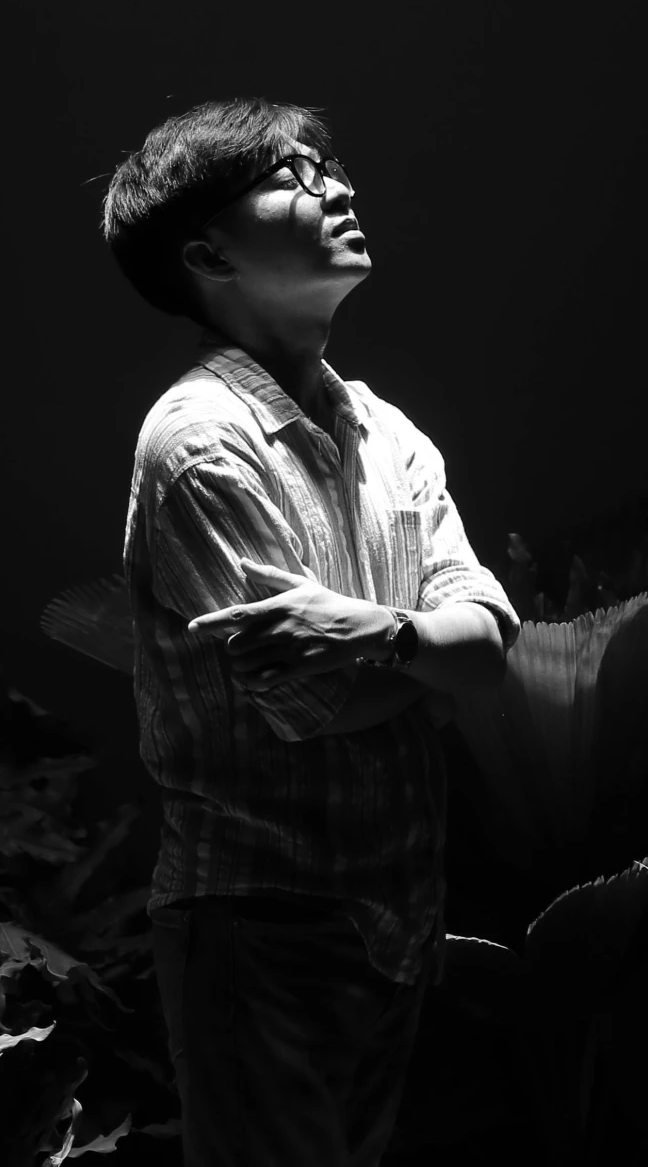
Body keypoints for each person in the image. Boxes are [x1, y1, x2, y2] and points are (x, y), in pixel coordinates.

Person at [103, 97, 519, 1167]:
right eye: (293, 173)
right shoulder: (198, 443)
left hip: (393, 912)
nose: (336, 185)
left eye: (331, 162)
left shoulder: (389, 431)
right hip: (257, 917)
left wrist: (378, 632)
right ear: (207, 252)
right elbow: (314, 707)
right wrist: (425, 650)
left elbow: (493, 643)